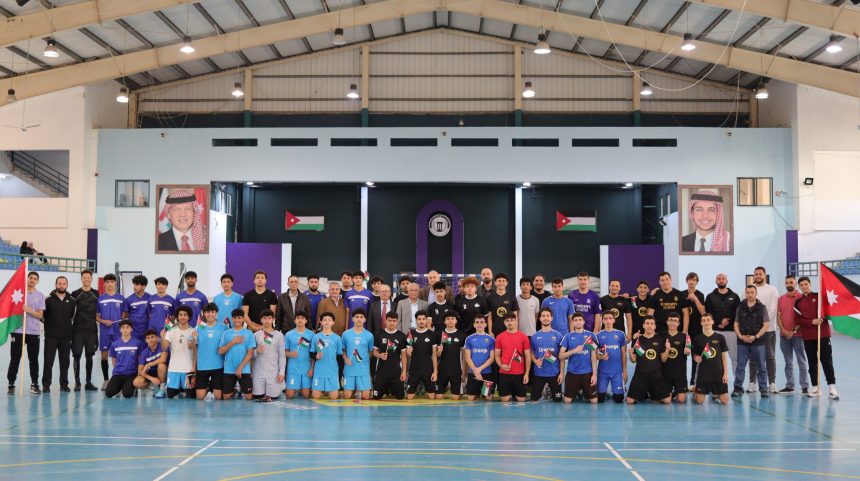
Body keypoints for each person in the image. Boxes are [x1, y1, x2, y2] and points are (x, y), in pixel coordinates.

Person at [794, 277, 838, 399]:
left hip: (822, 335)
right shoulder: (798, 302)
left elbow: (828, 310)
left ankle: (832, 388)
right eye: (801, 285)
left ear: (810, 284)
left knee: (827, 361)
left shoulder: (819, 297)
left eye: (806, 284)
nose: (804, 286)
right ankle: (815, 388)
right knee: (812, 362)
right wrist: (812, 322)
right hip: (808, 337)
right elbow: (797, 319)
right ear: (799, 287)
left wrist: (822, 319)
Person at [731, 285, 770, 398]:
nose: (750, 294)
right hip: (742, 342)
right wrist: (740, 336)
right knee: (740, 366)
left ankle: (763, 389)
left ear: (756, 293)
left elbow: (766, 325)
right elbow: (736, 324)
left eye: (752, 292)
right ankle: (738, 388)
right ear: (745, 294)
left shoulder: (762, 307)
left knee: (761, 366)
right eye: (748, 292)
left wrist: (756, 337)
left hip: (758, 342)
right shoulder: (740, 307)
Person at [626, 316, 671, 404]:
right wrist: (630, 353)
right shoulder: (637, 340)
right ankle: (644, 392)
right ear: (643, 325)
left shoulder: (660, 340)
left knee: (667, 401)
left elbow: (663, 359)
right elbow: (633, 360)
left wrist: (667, 350)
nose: (649, 326)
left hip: (656, 375)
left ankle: (650, 393)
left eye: (652, 324)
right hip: (640, 375)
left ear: (655, 326)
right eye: (647, 323)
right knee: (629, 401)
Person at [42, 276, 76, 393]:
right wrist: (50, 325)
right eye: (59, 283)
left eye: (64, 283)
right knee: (48, 362)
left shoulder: (72, 301)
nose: (62, 285)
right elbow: (42, 316)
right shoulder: (48, 300)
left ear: (67, 285)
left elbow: (72, 316)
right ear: (56, 285)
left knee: (65, 363)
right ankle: (46, 385)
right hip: (51, 337)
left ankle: (64, 384)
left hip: (66, 338)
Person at [748, 266, 779, 394]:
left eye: (760, 274)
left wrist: (762, 325)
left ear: (764, 275)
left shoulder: (772, 290)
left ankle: (772, 383)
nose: (758, 276)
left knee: (770, 357)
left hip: (769, 330)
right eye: (756, 274)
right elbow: (746, 308)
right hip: (752, 332)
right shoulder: (748, 290)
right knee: (753, 357)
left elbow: (773, 310)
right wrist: (754, 327)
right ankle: (752, 383)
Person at [776, 275, 809, 394]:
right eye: (787, 282)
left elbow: (804, 318)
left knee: (801, 361)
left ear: (795, 283)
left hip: (798, 336)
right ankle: (790, 386)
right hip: (784, 336)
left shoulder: (801, 298)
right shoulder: (781, 299)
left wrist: (793, 331)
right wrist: (783, 330)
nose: (789, 284)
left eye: (791, 282)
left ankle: (805, 386)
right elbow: (778, 317)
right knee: (788, 362)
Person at [704, 273, 740, 376]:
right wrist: (720, 321)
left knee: (735, 358)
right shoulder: (710, 297)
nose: (721, 280)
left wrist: (727, 321)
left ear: (727, 281)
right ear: (716, 281)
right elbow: (708, 313)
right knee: (713, 358)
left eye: (723, 278)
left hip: (731, 332)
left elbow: (737, 312)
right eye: (719, 279)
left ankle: (737, 382)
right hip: (715, 332)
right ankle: (716, 381)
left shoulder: (735, 296)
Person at [558, 313, 598, 404]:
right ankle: (577, 391)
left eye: (580, 320)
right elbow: (560, 356)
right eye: (575, 320)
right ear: (572, 322)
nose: (578, 322)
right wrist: (573, 351)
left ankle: (582, 391)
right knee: (567, 401)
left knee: (594, 401)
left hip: (587, 373)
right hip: (572, 373)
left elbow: (593, 357)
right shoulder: (568, 336)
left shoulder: (591, 336)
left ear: (584, 322)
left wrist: (594, 375)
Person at [71, 269, 99, 391]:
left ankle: (88, 382)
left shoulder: (96, 293)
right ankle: (77, 382)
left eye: (88, 277)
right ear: (81, 279)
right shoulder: (75, 294)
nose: (86, 279)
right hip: (78, 330)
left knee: (89, 356)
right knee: (76, 356)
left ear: (91, 279)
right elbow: (69, 310)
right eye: (84, 277)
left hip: (91, 330)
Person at [219, 309, 256, 401]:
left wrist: (240, 368)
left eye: (239, 318)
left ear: (243, 319)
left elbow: (250, 353)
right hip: (229, 369)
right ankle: (234, 390)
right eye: (235, 318)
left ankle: (240, 389)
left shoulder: (249, 333)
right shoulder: (226, 333)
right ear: (232, 319)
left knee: (248, 397)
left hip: (244, 369)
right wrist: (233, 342)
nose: (237, 320)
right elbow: (220, 351)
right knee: (226, 397)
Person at [692, 314, 729, 404]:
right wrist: (695, 357)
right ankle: (695, 390)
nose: (706, 322)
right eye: (704, 320)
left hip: (718, 374)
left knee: (725, 401)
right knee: (699, 401)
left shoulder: (720, 337)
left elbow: (724, 356)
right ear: (701, 323)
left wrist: (726, 373)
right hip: (703, 374)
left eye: (708, 320)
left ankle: (716, 393)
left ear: (712, 322)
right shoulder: (697, 338)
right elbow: (694, 354)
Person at [97, 273, 125, 391]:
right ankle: (106, 380)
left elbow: (124, 316)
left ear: (115, 283)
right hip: (105, 331)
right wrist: (104, 321)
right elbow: (96, 317)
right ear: (104, 284)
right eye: (107, 282)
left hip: (118, 332)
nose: (110, 284)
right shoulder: (100, 298)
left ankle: (118, 379)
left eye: (112, 282)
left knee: (118, 356)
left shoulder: (121, 298)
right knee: (104, 355)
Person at [494, 312, 531, 402]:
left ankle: (515, 393)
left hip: (519, 373)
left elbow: (528, 356)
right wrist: (501, 365)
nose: (509, 322)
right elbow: (497, 355)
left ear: (516, 321)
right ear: (504, 323)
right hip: (504, 373)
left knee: (521, 399)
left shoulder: (523, 337)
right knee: (504, 399)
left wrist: (526, 374)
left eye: (512, 320)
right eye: (507, 321)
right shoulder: (499, 337)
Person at [162, 305, 197, 399]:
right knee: (170, 395)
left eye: (185, 315)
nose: (183, 317)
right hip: (174, 369)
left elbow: (195, 352)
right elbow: (164, 347)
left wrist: (193, 367)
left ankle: (183, 389)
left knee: (191, 396)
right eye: (180, 315)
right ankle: (179, 389)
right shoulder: (171, 331)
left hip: (188, 370)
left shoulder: (193, 331)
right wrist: (163, 337)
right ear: (177, 317)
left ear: (189, 317)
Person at [372, 312, 408, 400]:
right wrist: (380, 355)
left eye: (394, 321)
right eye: (390, 320)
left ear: (397, 322)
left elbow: (403, 356)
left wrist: (404, 372)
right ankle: (385, 390)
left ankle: (390, 390)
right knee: (376, 397)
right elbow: (374, 352)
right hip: (381, 372)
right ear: (386, 321)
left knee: (400, 396)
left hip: (395, 372)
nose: (392, 323)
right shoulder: (379, 334)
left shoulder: (401, 336)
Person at [252, 309, 286, 402]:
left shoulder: (279, 336)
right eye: (264, 318)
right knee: (258, 396)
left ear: (273, 319)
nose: (267, 320)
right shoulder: (255, 335)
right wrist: (256, 351)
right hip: (258, 372)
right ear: (261, 320)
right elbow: (250, 355)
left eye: (269, 318)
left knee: (273, 397)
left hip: (273, 372)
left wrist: (281, 372)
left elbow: (282, 356)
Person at [530, 308, 563, 402]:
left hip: (554, 373)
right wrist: (535, 361)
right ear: (540, 318)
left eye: (548, 316)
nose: (546, 318)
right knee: (534, 399)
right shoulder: (534, 336)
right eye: (543, 316)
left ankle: (549, 391)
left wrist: (561, 373)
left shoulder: (558, 336)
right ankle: (545, 391)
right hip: (539, 373)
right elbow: (531, 352)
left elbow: (561, 357)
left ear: (551, 318)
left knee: (558, 400)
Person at [196, 303, 226, 400]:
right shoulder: (199, 327)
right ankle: (208, 387)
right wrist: (193, 338)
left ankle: (211, 386)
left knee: (218, 397)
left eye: (212, 312)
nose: (210, 314)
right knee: (200, 397)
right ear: (204, 314)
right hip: (202, 366)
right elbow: (191, 345)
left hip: (218, 365)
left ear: (216, 313)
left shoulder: (223, 327)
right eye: (208, 312)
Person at [341, 309, 374, 401]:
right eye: (357, 317)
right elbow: (343, 349)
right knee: (347, 396)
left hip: (363, 369)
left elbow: (370, 351)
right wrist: (346, 359)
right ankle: (353, 389)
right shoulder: (346, 334)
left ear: (364, 319)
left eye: (361, 317)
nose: (359, 319)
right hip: (350, 368)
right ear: (353, 319)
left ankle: (360, 388)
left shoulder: (369, 335)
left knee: (366, 396)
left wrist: (364, 361)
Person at [595, 311, 627, 403]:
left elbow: (624, 353)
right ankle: (604, 392)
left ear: (614, 320)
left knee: (619, 399)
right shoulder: (598, 336)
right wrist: (601, 357)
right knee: (599, 399)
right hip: (603, 372)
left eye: (610, 318)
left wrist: (624, 371)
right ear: (602, 321)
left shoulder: (620, 334)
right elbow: (595, 356)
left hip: (617, 372)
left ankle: (615, 393)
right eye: (605, 319)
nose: (608, 321)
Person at [405, 310, 438, 400]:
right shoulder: (411, 334)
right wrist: (408, 352)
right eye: (419, 319)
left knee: (432, 397)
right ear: (416, 320)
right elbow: (408, 354)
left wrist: (435, 371)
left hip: (428, 369)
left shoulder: (432, 334)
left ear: (426, 320)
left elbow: (434, 354)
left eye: (423, 319)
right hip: (414, 369)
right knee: (409, 397)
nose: (421, 321)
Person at [105, 320, 142, 398]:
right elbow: (114, 360)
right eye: (123, 327)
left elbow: (140, 360)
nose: (125, 330)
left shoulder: (137, 343)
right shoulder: (115, 344)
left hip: (131, 373)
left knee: (127, 394)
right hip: (118, 373)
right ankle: (122, 385)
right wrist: (118, 370)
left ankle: (130, 387)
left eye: (127, 327)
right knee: (108, 393)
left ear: (131, 329)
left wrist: (138, 374)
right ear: (120, 330)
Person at [310, 312, 343, 400]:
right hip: (319, 371)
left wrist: (339, 374)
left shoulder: (337, 338)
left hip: (332, 372)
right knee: (315, 396)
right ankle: (321, 390)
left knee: (334, 397)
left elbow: (340, 357)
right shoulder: (316, 337)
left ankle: (329, 390)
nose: (327, 322)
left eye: (329, 320)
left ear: (333, 322)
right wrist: (316, 356)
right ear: (321, 322)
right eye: (324, 320)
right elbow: (312, 353)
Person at [435, 310, 466, 400]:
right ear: (445, 321)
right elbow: (436, 355)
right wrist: (439, 351)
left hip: (456, 370)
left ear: (456, 321)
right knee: (438, 397)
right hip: (442, 370)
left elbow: (464, 356)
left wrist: (464, 372)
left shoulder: (461, 335)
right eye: (448, 319)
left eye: (452, 319)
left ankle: (456, 389)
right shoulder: (439, 334)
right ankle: (445, 389)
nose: (450, 320)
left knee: (456, 398)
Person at [464, 316, 496, 401]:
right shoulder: (469, 339)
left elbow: (492, 358)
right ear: (474, 325)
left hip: (487, 373)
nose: (479, 324)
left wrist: (479, 369)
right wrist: (475, 371)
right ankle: (477, 392)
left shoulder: (491, 339)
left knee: (488, 397)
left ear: (485, 324)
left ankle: (483, 392)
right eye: (477, 322)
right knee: (470, 398)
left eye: (482, 322)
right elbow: (467, 357)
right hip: (473, 373)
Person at [285, 312, 315, 399]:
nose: (300, 320)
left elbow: (313, 354)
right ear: (294, 320)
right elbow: (284, 352)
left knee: (306, 395)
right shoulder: (289, 334)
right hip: (293, 369)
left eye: (302, 318)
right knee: (289, 395)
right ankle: (297, 387)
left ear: (306, 321)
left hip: (306, 368)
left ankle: (301, 388)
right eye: (298, 318)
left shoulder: (311, 334)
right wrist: (290, 354)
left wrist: (312, 368)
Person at [684, 273, 706, 387]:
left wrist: (695, 298)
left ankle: (693, 382)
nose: (692, 282)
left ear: (697, 282)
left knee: (695, 357)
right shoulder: (682, 294)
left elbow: (703, 312)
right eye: (690, 279)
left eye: (694, 280)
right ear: (687, 281)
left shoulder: (700, 295)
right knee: (681, 357)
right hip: (683, 331)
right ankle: (682, 383)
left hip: (696, 331)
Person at [663, 312, 690, 403]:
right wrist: (636, 337)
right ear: (667, 322)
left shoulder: (685, 337)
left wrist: (688, 351)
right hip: (666, 373)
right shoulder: (661, 336)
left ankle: (676, 392)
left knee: (681, 400)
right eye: (671, 320)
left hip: (680, 373)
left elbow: (688, 351)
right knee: (667, 401)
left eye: (675, 321)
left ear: (678, 323)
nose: (673, 323)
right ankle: (672, 392)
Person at [133, 329, 167, 398]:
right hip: (151, 373)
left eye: (152, 337)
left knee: (161, 365)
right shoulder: (144, 352)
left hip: (162, 372)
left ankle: (162, 389)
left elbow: (163, 359)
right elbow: (140, 370)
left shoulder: (162, 346)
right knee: (136, 382)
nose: (150, 339)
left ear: (157, 338)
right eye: (148, 338)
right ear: (146, 340)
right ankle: (154, 386)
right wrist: (151, 379)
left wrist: (149, 364)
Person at [124, 275, 150, 342]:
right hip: (134, 332)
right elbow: (125, 317)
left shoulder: (150, 298)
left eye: (137, 284)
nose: (134, 287)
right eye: (134, 284)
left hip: (147, 331)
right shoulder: (128, 300)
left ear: (143, 286)